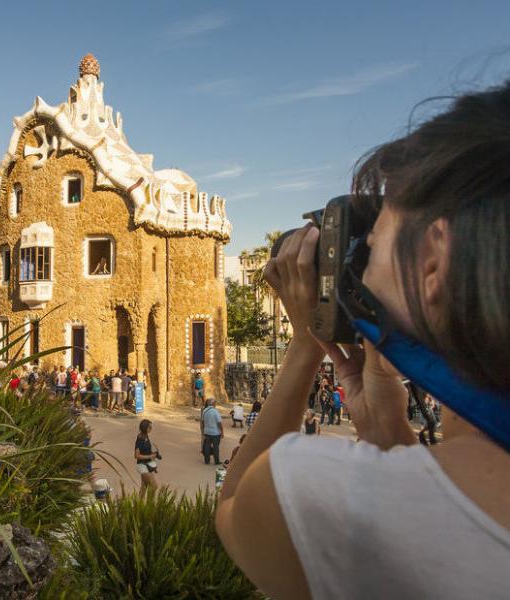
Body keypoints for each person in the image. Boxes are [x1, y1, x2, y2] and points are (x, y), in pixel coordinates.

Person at [216, 82, 510, 598]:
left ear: (433, 259)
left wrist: (310, 339)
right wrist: (387, 431)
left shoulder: (322, 493)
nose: (365, 242)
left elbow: (232, 511)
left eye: (378, 227)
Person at [134, 419, 159, 494]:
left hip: (147, 464)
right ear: (145, 428)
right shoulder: (140, 439)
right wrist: (149, 456)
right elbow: (136, 455)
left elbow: (146, 451)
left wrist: (153, 454)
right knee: (154, 486)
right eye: (150, 427)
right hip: (142, 466)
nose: (151, 429)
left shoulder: (146, 437)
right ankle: (149, 503)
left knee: (144, 487)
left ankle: (139, 504)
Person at [200, 398, 224, 465]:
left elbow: (202, 422)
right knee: (215, 447)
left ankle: (207, 461)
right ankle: (216, 461)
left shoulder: (204, 411)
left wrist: (203, 431)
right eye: (215, 403)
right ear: (213, 403)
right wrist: (222, 432)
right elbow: (219, 423)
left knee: (207, 446)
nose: (216, 404)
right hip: (215, 432)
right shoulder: (215, 411)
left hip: (207, 431)